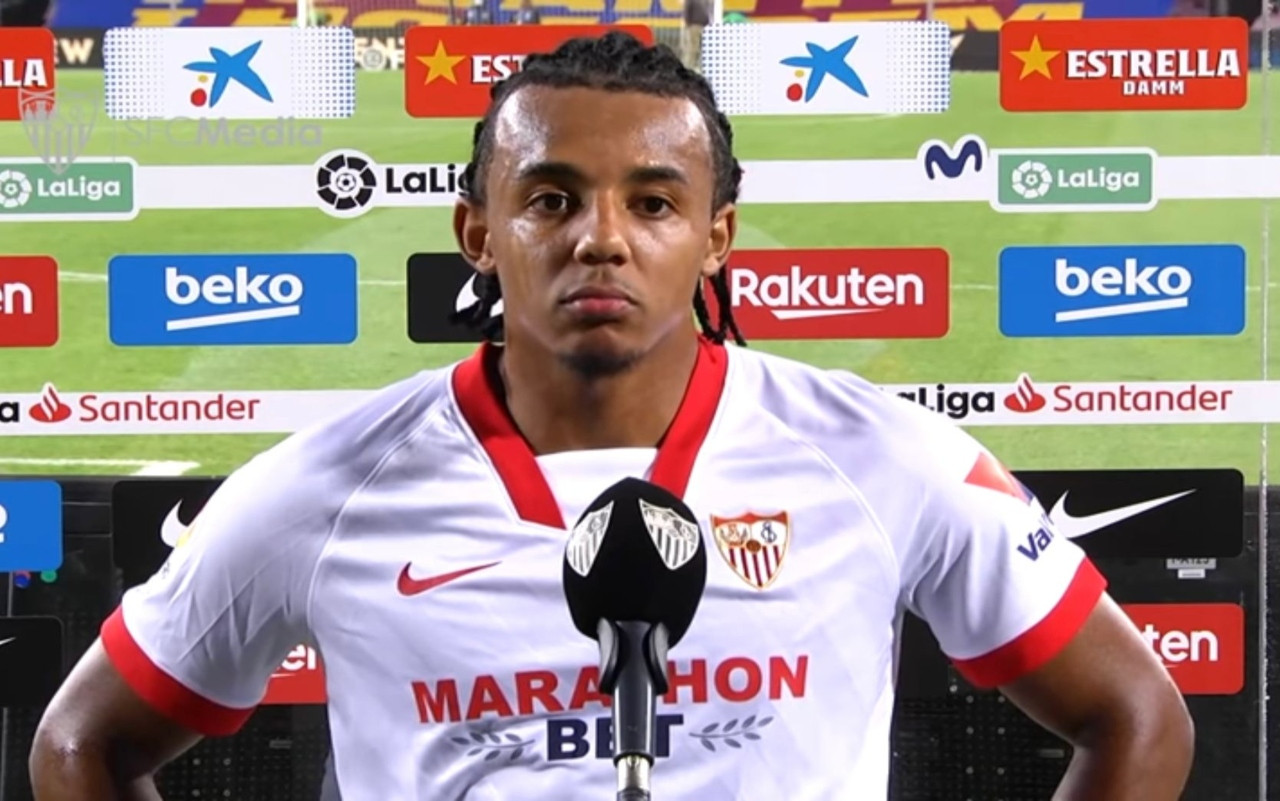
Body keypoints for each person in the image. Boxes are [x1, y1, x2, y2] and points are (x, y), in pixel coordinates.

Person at [29, 32, 1194, 800]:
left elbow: (1135, 715)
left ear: (715, 237)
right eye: (549, 199)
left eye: (652, 202)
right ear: (477, 234)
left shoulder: (878, 459)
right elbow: (82, 744)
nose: (601, 239)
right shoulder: (322, 489)